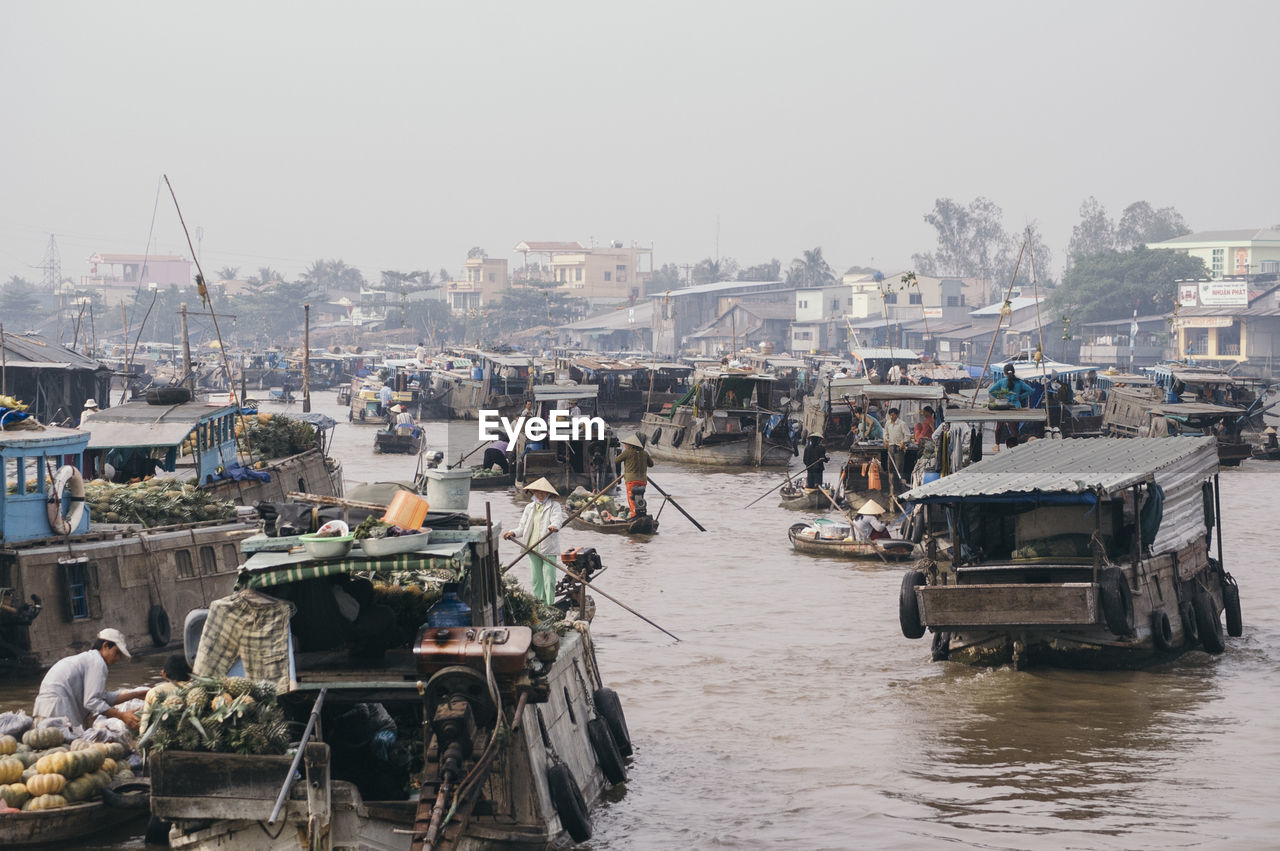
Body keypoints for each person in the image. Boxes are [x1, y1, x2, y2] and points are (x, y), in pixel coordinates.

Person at [33, 628, 148, 732]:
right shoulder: (98, 663)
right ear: (105, 646)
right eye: (116, 653)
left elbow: (102, 697)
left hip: (45, 707)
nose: (117, 658)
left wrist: (134, 695)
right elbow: (92, 701)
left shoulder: (90, 659)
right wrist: (121, 715)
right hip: (56, 709)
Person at [502, 478, 565, 605]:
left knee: (550, 578)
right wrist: (512, 532)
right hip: (532, 547)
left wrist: (554, 526)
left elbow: (557, 520)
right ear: (533, 492)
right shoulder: (529, 507)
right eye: (537, 492)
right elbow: (522, 527)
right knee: (536, 578)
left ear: (548, 494)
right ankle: (539, 602)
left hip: (548, 547)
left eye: (543, 493)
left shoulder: (554, 506)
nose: (540, 495)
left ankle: (549, 604)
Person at [615, 434, 654, 516]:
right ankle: (641, 513)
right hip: (642, 481)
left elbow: (616, 461)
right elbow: (651, 464)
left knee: (631, 498)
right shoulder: (645, 453)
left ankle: (634, 514)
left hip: (631, 480)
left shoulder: (627, 452)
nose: (625, 446)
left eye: (626, 445)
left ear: (631, 445)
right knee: (640, 499)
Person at [883, 407, 909, 488]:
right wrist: (886, 441)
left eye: (893, 415)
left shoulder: (902, 424)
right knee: (890, 467)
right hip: (891, 446)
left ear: (897, 415)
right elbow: (885, 433)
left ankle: (899, 486)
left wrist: (903, 442)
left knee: (899, 467)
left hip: (899, 447)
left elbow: (907, 435)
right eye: (890, 415)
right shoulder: (888, 423)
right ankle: (891, 486)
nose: (891, 417)